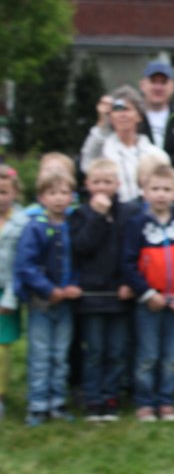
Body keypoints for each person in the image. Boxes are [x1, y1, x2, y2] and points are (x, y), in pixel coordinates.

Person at [122, 164, 174, 422]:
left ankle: (166, 400)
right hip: (149, 302)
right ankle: (145, 401)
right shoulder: (137, 224)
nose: (161, 194)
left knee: (172, 356)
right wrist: (146, 293)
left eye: (166, 189)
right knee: (148, 355)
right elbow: (128, 263)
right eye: (155, 189)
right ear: (144, 192)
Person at [69, 158, 139, 422]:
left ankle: (111, 396)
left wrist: (129, 283)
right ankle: (93, 398)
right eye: (97, 182)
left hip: (119, 294)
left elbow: (132, 251)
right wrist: (98, 217)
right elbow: (81, 247)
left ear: (118, 184)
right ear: (87, 184)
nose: (102, 187)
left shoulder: (129, 213)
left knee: (117, 350)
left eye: (107, 182)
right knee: (95, 350)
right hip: (92, 295)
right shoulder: (80, 214)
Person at [15, 169, 82, 426]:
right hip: (41, 303)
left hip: (66, 303)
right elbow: (25, 266)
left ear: (72, 197)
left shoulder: (74, 226)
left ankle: (57, 402)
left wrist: (74, 285)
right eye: (52, 193)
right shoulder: (35, 227)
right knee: (40, 354)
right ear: (42, 197)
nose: (59, 198)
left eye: (64, 193)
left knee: (60, 354)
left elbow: (80, 260)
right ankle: (37, 404)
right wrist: (47, 289)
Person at [81, 86, 171, 202]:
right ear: (111, 116)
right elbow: (86, 164)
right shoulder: (103, 150)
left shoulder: (156, 155)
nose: (122, 115)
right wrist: (103, 121)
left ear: (139, 116)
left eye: (127, 109)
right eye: (117, 110)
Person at [0, 166, 23, 420]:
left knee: (1, 348)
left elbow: (21, 264)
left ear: (14, 193)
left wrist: (10, 297)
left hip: (6, 291)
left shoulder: (22, 222)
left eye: (4, 192)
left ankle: (0, 395)